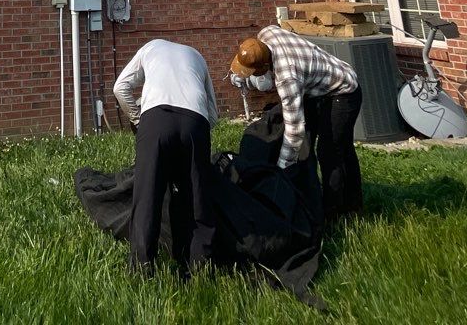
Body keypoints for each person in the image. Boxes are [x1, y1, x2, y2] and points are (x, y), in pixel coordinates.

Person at [229, 28, 364, 222]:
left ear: (265, 65)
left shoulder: (288, 78)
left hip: (343, 91)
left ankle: (335, 214)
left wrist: (283, 169)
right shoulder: (266, 34)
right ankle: (351, 204)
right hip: (318, 87)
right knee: (339, 148)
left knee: (331, 152)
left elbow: (295, 132)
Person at [112, 39, 220, 276]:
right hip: (195, 120)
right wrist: (196, 137)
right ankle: (201, 268)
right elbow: (213, 113)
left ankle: (142, 268)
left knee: (147, 194)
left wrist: (138, 120)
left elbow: (120, 88)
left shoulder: (149, 48)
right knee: (197, 195)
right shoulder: (197, 54)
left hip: (156, 118)